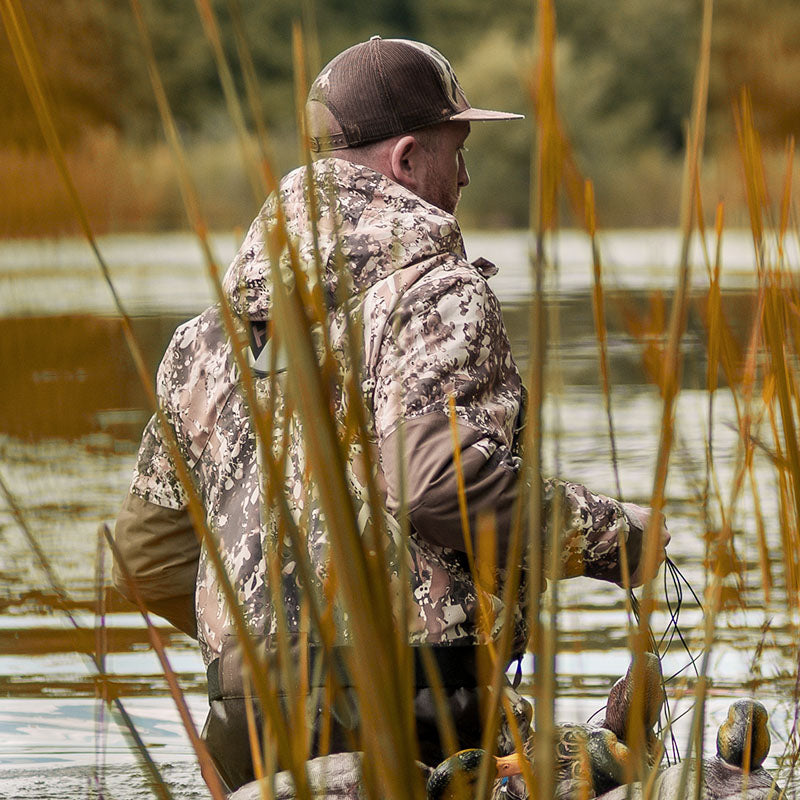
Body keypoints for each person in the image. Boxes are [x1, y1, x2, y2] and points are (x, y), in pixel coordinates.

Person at [112, 36, 670, 791]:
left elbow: (144, 560)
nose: (465, 174)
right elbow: (435, 484)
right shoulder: (438, 294)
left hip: (245, 721)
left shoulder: (201, 340)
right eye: (457, 148)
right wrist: (614, 539)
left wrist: (267, 647)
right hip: (421, 703)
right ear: (407, 160)